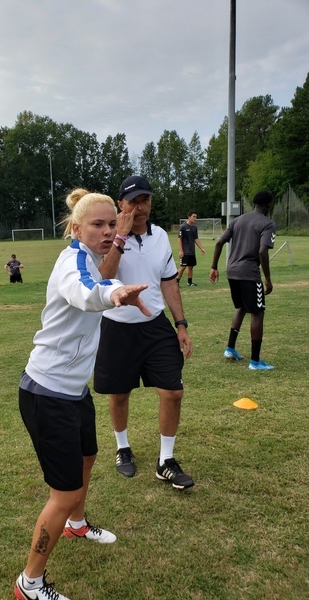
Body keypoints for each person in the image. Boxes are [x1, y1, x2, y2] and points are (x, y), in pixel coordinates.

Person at [14, 188, 151, 600]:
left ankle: (76, 525)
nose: (108, 231)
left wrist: (113, 286)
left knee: (88, 456)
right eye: (97, 225)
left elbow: (99, 279)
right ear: (76, 229)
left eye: (111, 223)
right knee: (65, 492)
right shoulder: (72, 261)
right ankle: (29, 583)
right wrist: (114, 293)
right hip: (47, 393)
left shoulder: (91, 258)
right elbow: (85, 291)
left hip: (74, 391)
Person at [94, 175, 194, 489]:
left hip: (154, 325)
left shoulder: (160, 236)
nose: (140, 208)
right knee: (119, 394)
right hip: (116, 326)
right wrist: (120, 237)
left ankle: (166, 460)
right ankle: (123, 448)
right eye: (133, 202)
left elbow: (169, 282)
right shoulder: (107, 237)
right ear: (120, 204)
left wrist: (181, 324)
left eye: (145, 200)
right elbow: (102, 278)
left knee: (173, 392)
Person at [209, 190, 276, 371]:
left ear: (254, 203)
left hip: (232, 271)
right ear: (268, 205)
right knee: (258, 313)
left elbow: (219, 243)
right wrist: (268, 278)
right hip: (249, 273)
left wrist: (214, 267)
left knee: (241, 307)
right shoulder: (267, 223)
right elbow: (262, 251)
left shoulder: (237, 220)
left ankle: (230, 349)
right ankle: (255, 361)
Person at [176, 210, 206, 286]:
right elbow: (179, 239)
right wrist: (181, 250)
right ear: (189, 217)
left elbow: (196, 239)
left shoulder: (194, 228)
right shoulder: (183, 227)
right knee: (183, 267)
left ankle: (189, 282)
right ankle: (176, 282)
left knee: (191, 266)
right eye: (194, 216)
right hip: (185, 251)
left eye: (196, 217)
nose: (195, 218)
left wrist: (201, 248)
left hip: (192, 251)